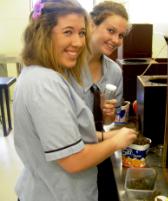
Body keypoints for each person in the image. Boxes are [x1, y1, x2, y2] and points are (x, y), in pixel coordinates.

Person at [13, 1, 137, 201]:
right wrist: (116, 142)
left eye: (81, 33)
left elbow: (68, 132)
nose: (79, 42)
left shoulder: (39, 75)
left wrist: (106, 136)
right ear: (43, 33)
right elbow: (73, 160)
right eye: (68, 32)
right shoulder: (46, 83)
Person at [69, 2, 131, 201]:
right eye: (111, 31)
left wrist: (109, 118)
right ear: (92, 25)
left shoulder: (114, 72)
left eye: (121, 35)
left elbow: (109, 126)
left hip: (100, 153)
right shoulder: (68, 67)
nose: (116, 40)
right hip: (71, 156)